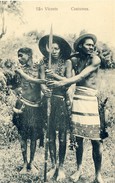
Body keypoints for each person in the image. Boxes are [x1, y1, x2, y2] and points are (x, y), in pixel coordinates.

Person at [47, 33, 105, 183]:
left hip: (92, 100)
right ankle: (79, 169)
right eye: (88, 45)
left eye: (92, 45)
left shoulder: (95, 59)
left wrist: (59, 82)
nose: (91, 47)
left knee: (96, 140)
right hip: (78, 99)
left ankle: (98, 174)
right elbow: (68, 80)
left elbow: (79, 77)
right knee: (78, 139)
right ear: (80, 46)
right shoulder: (73, 60)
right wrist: (54, 76)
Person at [39, 35, 72, 181]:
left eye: (56, 48)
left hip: (60, 100)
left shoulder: (67, 63)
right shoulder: (43, 63)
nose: (53, 51)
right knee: (50, 135)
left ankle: (61, 167)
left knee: (62, 136)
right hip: (47, 101)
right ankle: (53, 166)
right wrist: (43, 89)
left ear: (60, 49)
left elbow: (68, 82)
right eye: (51, 48)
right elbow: (41, 80)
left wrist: (55, 76)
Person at [12, 47, 46, 174]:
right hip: (22, 106)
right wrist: (18, 97)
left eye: (22, 56)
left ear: (29, 55)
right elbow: (13, 86)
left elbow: (43, 84)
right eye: (18, 56)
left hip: (36, 106)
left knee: (33, 136)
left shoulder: (39, 68)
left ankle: (31, 163)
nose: (19, 58)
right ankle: (24, 163)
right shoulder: (19, 70)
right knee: (22, 136)